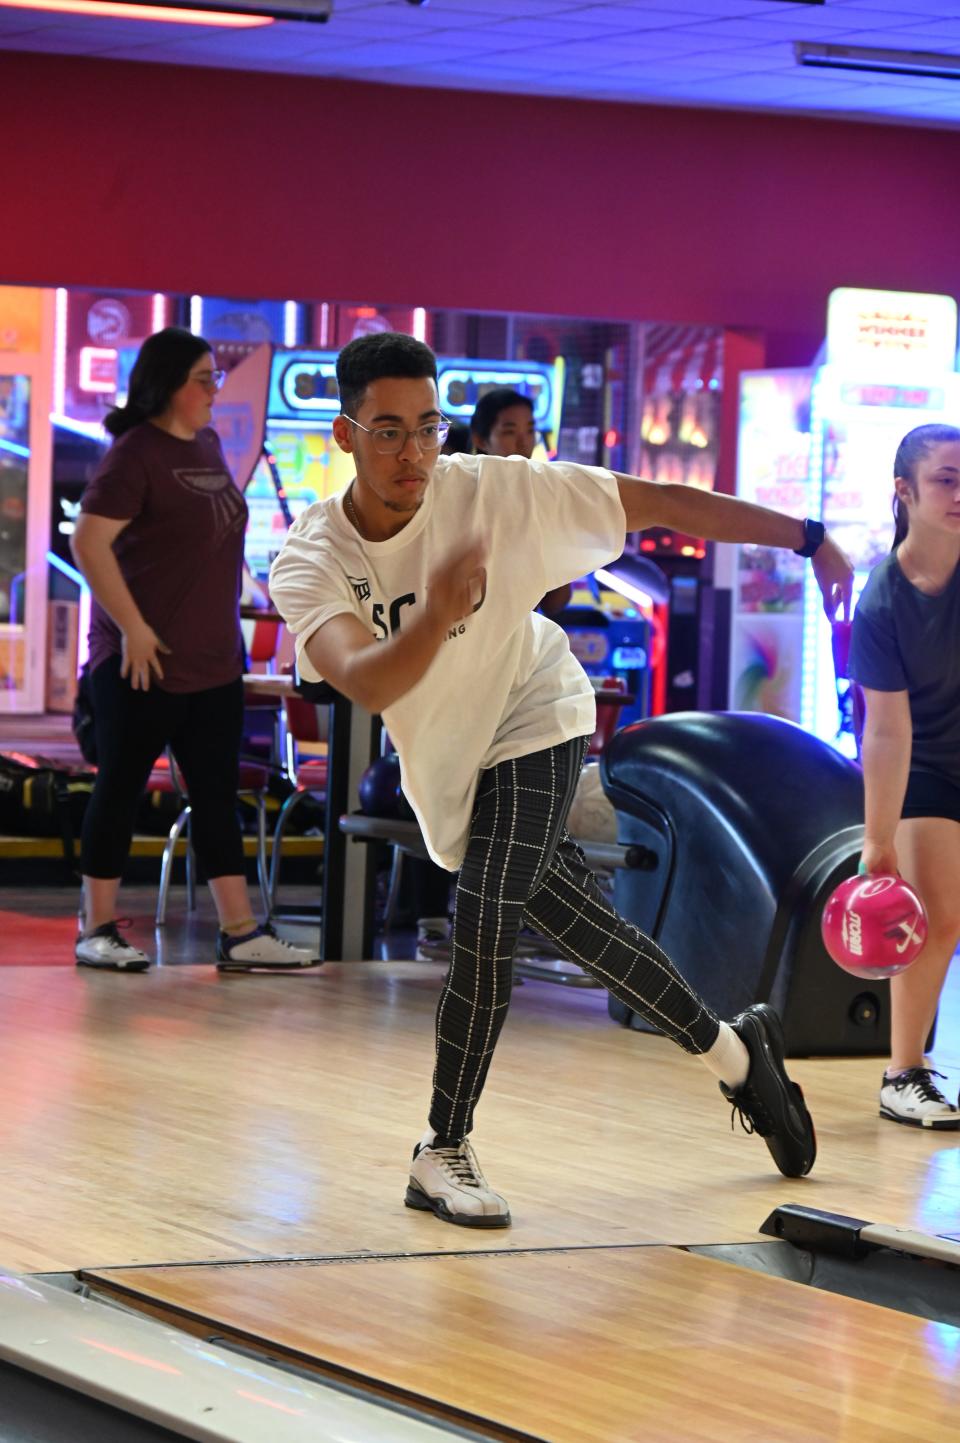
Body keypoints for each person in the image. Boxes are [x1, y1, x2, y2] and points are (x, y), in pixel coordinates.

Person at [270, 332, 853, 1228]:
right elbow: (371, 680)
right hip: (448, 757)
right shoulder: (311, 559)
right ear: (344, 436)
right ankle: (741, 1056)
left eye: (427, 427)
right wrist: (437, 611)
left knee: (488, 906)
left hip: (539, 709)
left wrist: (808, 538)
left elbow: (662, 502)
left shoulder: (495, 491)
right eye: (388, 432)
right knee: (585, 929)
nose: (414, 453)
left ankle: (444, 1146)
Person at [71, 327, 315, 974]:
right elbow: (89, 543)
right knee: (119, 789)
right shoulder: (134, 455)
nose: (214, 388)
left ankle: (239, 932)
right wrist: (134, 627)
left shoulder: (205, 444)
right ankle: (95, 927)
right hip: (140, 662)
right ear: (169, 385)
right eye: (204, 378)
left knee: (215, 794)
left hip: (213, 662)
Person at [849, 423, 960, 1129]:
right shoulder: (882, 601)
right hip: (924, 766)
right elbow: (887, 730)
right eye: (947, 479)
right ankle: (903, 1072)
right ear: (905, 491)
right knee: (939, 918)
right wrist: (879, 840)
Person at [471, 387, 571, 617]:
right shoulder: (462, 494)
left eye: (530, 430)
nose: (523, 442)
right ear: (480, 438)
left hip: (518, 636)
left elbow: (556, 601)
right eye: (509, 431)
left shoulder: (540, 497)